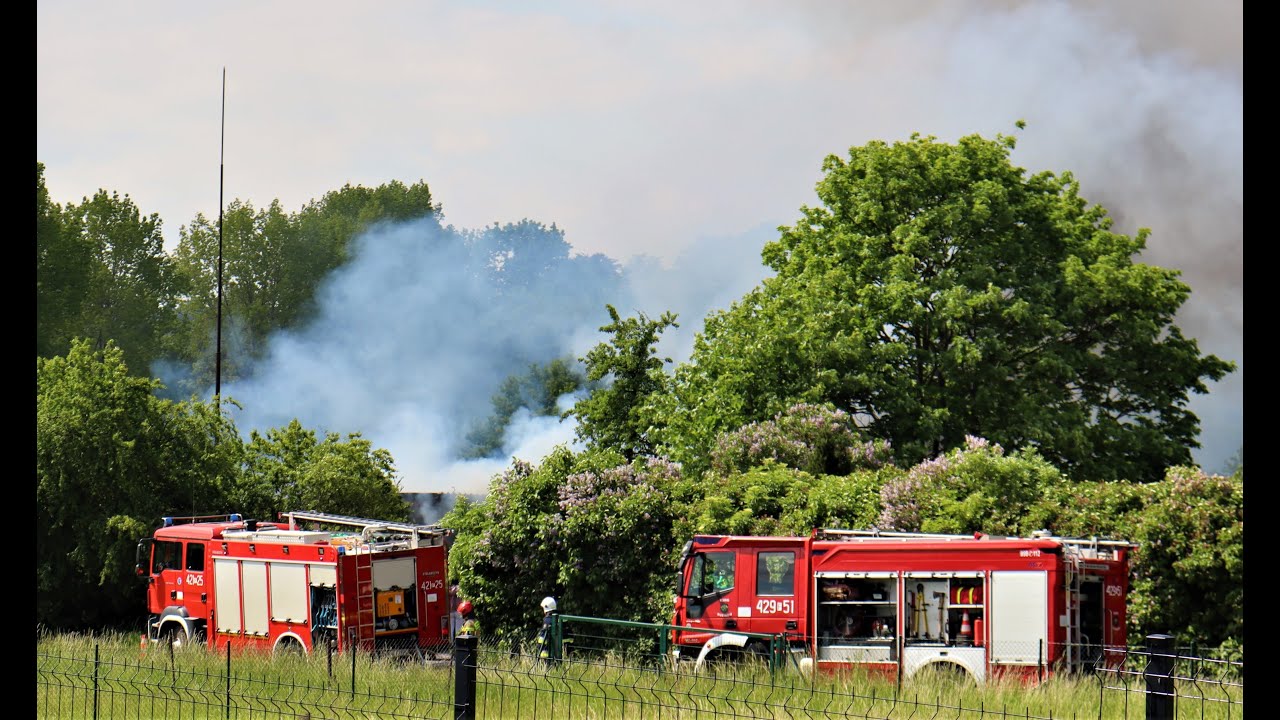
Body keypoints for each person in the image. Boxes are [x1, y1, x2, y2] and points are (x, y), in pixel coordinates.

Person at [535, 596, 559, 666]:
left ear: (546, 607)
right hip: (555, 651)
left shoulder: (547, 620)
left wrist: (539, 648)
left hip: (546, 651)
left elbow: (542, 637)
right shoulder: (557, 618)